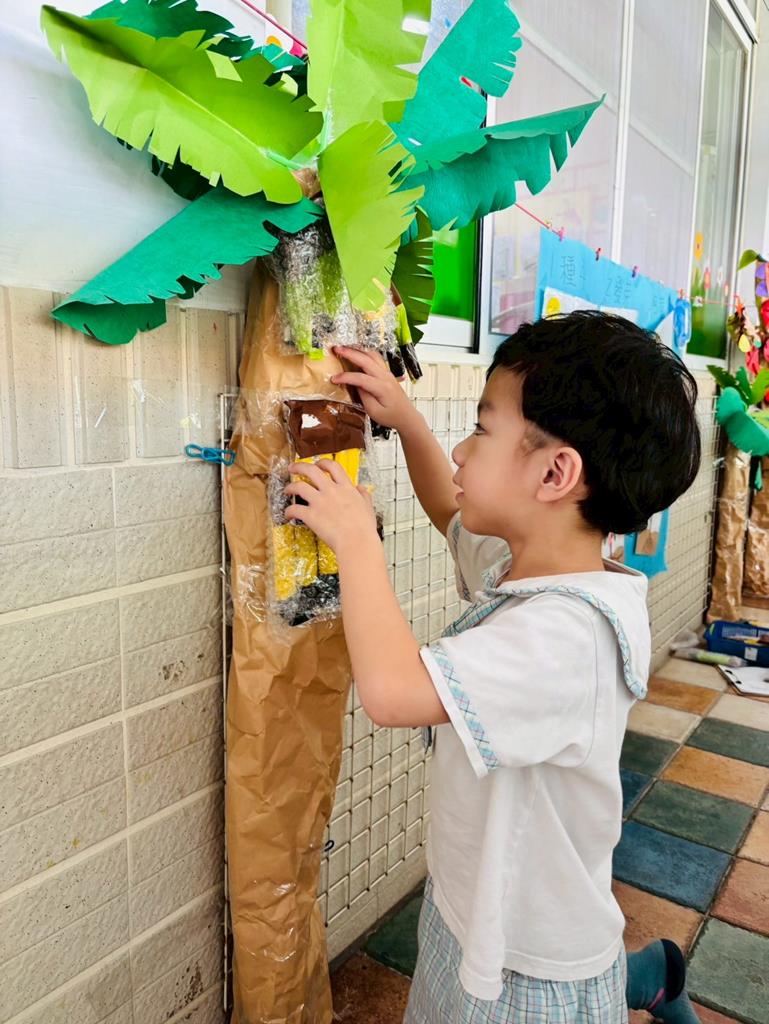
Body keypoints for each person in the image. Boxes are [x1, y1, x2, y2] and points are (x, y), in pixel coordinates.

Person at [283, 311, 702, 1024]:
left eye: (481, 430)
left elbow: (392, 693)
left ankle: (641, 979)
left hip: (526, 971)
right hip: (474, 916)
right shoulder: (536, 566)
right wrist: (406, 420)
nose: (460, 449)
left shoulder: (564, 636)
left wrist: (356, 541)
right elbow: (450, 512)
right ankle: (647, 975)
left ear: (555, 473)